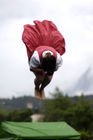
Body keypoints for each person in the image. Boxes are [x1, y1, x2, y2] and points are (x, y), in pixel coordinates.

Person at [22, 20, 65, 99]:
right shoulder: (36, 57)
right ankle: (37, 87)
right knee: (40, 78)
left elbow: (54, 69)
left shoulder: (58, 59)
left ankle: (42, 89)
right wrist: (41, 70)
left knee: (48, 78)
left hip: (48, 64)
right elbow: (31, 69)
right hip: (36, 61)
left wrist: (48, 71)